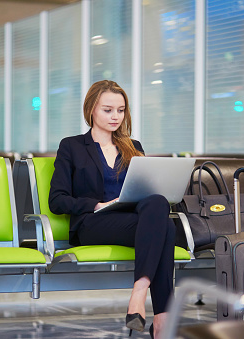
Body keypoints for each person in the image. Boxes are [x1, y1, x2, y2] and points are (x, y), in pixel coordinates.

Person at [49, 80, 176, 339]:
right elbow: (57, 199)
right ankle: (162, 318)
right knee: (167, 228)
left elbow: (146, 192)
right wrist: (96, 204)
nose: (115, 116)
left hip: (130, 221)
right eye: (108, 110)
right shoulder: (71, 146)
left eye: (120, 110)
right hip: (93, 223)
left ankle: (140, 295)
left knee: (159, 204)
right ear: (91, 110)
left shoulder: (134, 147)